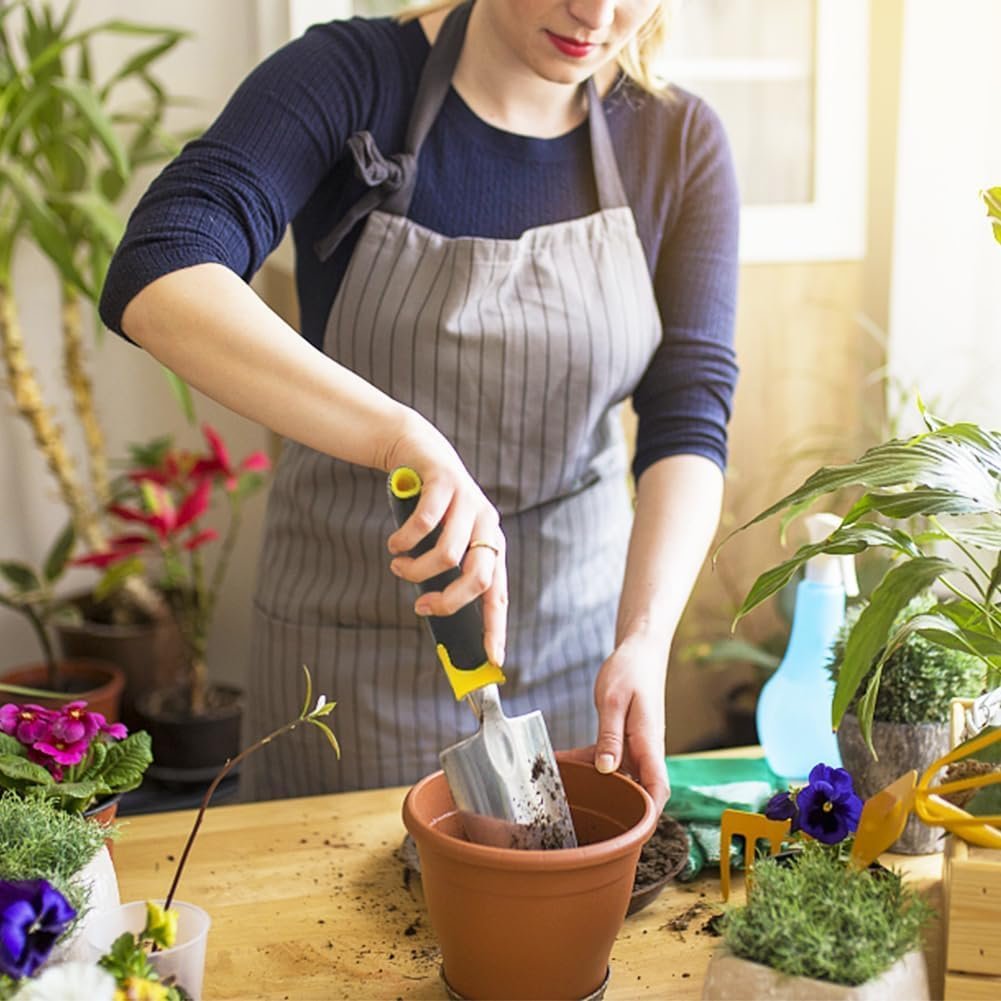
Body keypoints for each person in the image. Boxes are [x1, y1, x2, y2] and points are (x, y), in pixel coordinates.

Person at [99, 0, 739, 811]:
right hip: (347, 661)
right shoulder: (352, 78)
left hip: (574, 651)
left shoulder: (675, 140)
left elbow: (688, 411)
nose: (596, 13)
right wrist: (401, 437)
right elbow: (160, 269)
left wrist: (644, 637)